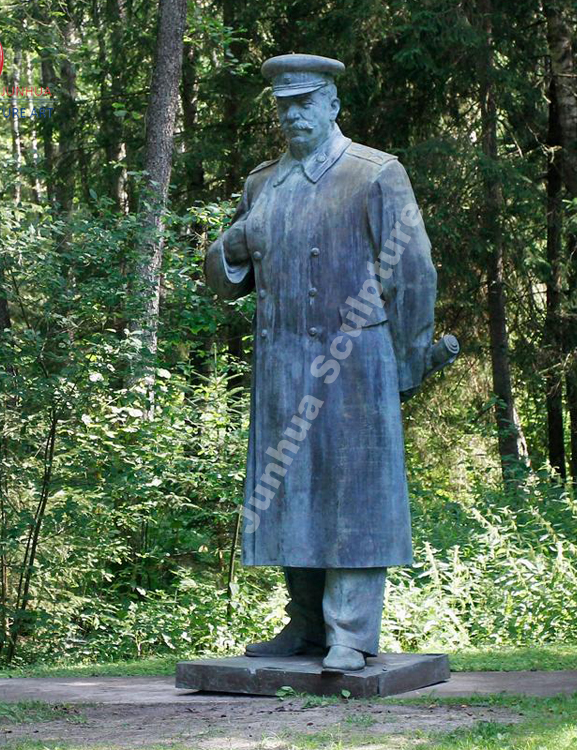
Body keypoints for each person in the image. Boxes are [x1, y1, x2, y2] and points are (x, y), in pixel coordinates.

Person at [204, 53, 438, 672]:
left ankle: (351, 634)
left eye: (305, 101)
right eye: (284, 104)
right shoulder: (263, 184)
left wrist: (409, 361)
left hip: (357, 363)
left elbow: (412, 275)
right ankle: (306, 625)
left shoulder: (375, 175)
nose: (293, 114)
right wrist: (232, 240)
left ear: (333, 103)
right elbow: (227, 281)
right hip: (281, 361)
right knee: (289, 493)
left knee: (355, 491)